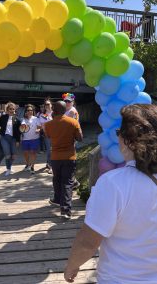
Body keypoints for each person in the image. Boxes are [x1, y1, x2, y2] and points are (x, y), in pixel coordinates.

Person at [64, 104, 157, 283]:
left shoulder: (113, 183)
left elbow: (88, 242)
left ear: (129, 141)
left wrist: (72, 265)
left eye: (119, 132)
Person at [44, 101, 83, 219]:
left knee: (57, 179)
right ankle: (65, 211)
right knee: (67, 182)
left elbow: (48, 136)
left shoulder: (48, 125)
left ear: (54, 111)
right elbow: (80, 138)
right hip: (69, 157)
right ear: (64, 109)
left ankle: (57, 199)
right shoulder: (73, 122)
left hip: (55, 157)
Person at [0, 102, 21, 176]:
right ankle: (8, 169)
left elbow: (19, 132)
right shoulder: (3, 117)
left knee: (14, 155)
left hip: (13, 139)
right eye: (10, 109)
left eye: (13, 109)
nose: (11, 110)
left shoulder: (17, 119)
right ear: (7, 110)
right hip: (4, 138)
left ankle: (10, 166)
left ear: (14, 110)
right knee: (7, 155)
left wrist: (18, 140)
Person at [21, 104, 41, 175]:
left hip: (34, 139)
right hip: (25, 139)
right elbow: (22, 127)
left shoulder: (36, 119)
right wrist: (23, 126)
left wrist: (38, 130)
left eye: (31, 110)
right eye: (28, 110)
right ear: (26, 111)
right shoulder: (24, 119)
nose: (30, 111)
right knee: (25, 153)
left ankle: (32, 167)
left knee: (33, 152)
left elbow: (39, 127)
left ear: (33, 111)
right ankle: (28, 163)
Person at [39, 98, 53, 174]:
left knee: (54, 150)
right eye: (45, 105)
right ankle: (50, 166)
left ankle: (49, 163)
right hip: (47, 135)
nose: (47, 106)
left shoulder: (55, 113)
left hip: (56, 135)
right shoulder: (43, 115)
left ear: (51, 105)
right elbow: (43, 126)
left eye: (48, 104)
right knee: (49, 151)